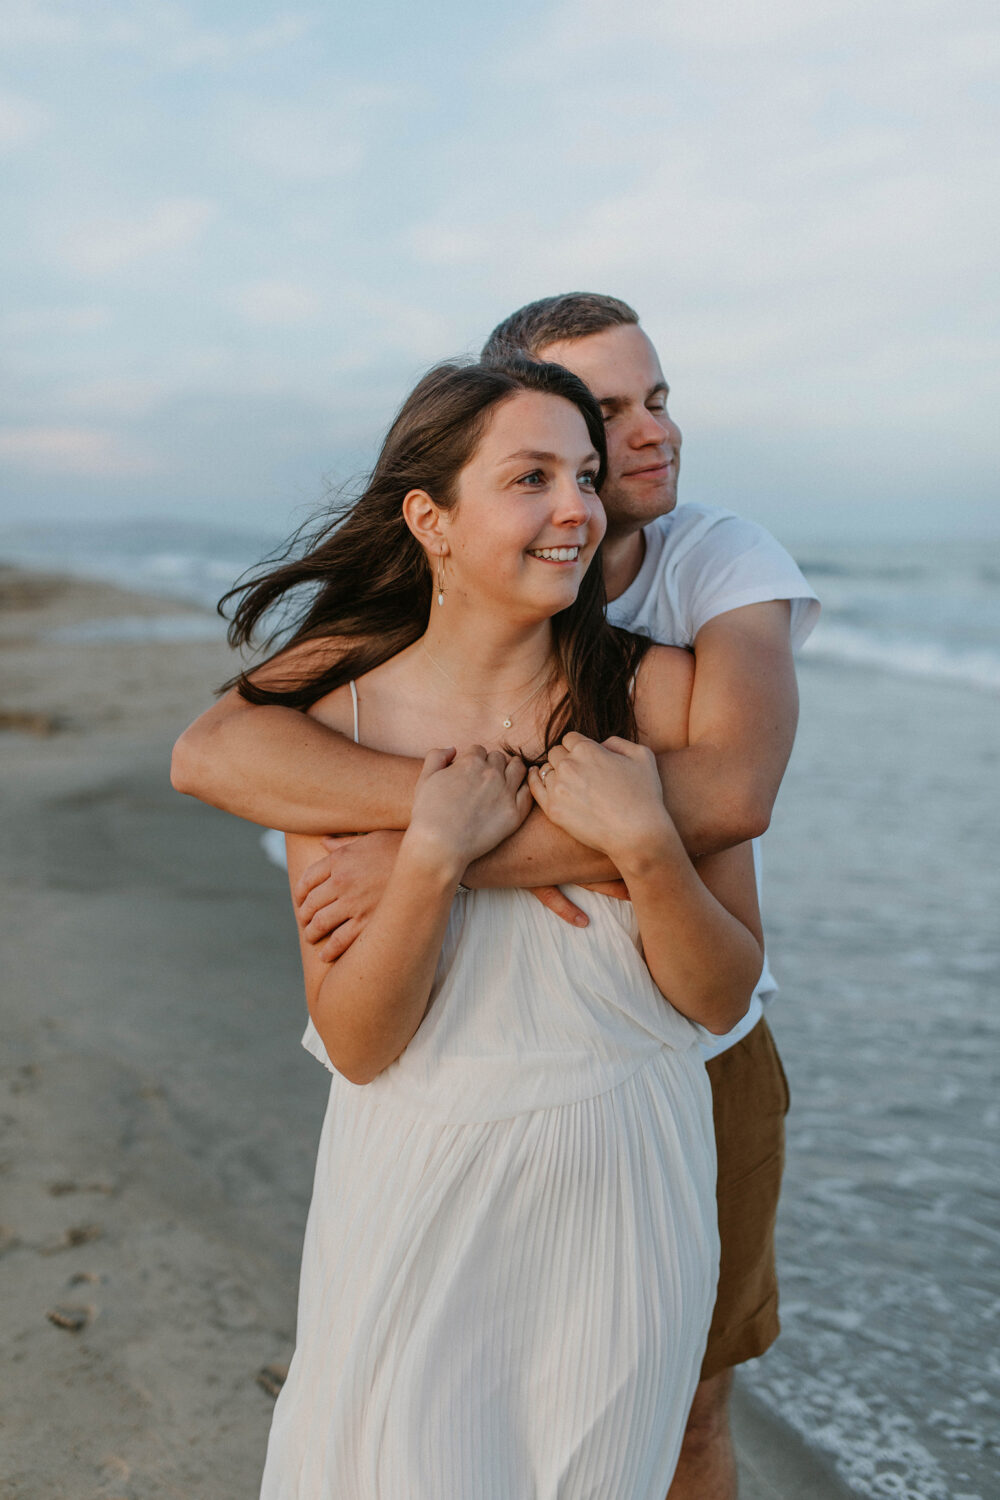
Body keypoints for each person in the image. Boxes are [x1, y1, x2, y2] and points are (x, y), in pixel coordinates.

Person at [172, 293, 820, 1500]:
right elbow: (356, 1038)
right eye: (534, 475)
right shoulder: (333, 716)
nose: (580, 502)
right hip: (420, 1177)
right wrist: (431, 844)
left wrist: (636, 845)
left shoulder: (675, 666)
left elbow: (723, 952)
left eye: (588, 471)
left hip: (631, 1172)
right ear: (430, 517)